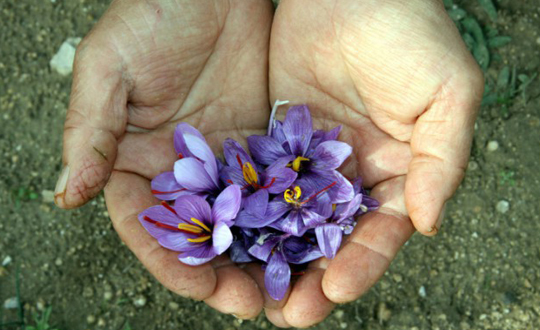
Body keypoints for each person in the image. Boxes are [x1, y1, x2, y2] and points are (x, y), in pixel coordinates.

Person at [54, 0, 483, 327]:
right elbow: (252, 192)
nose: (292, 186)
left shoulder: (294, 178)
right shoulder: (234, 208)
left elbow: (285, 179)